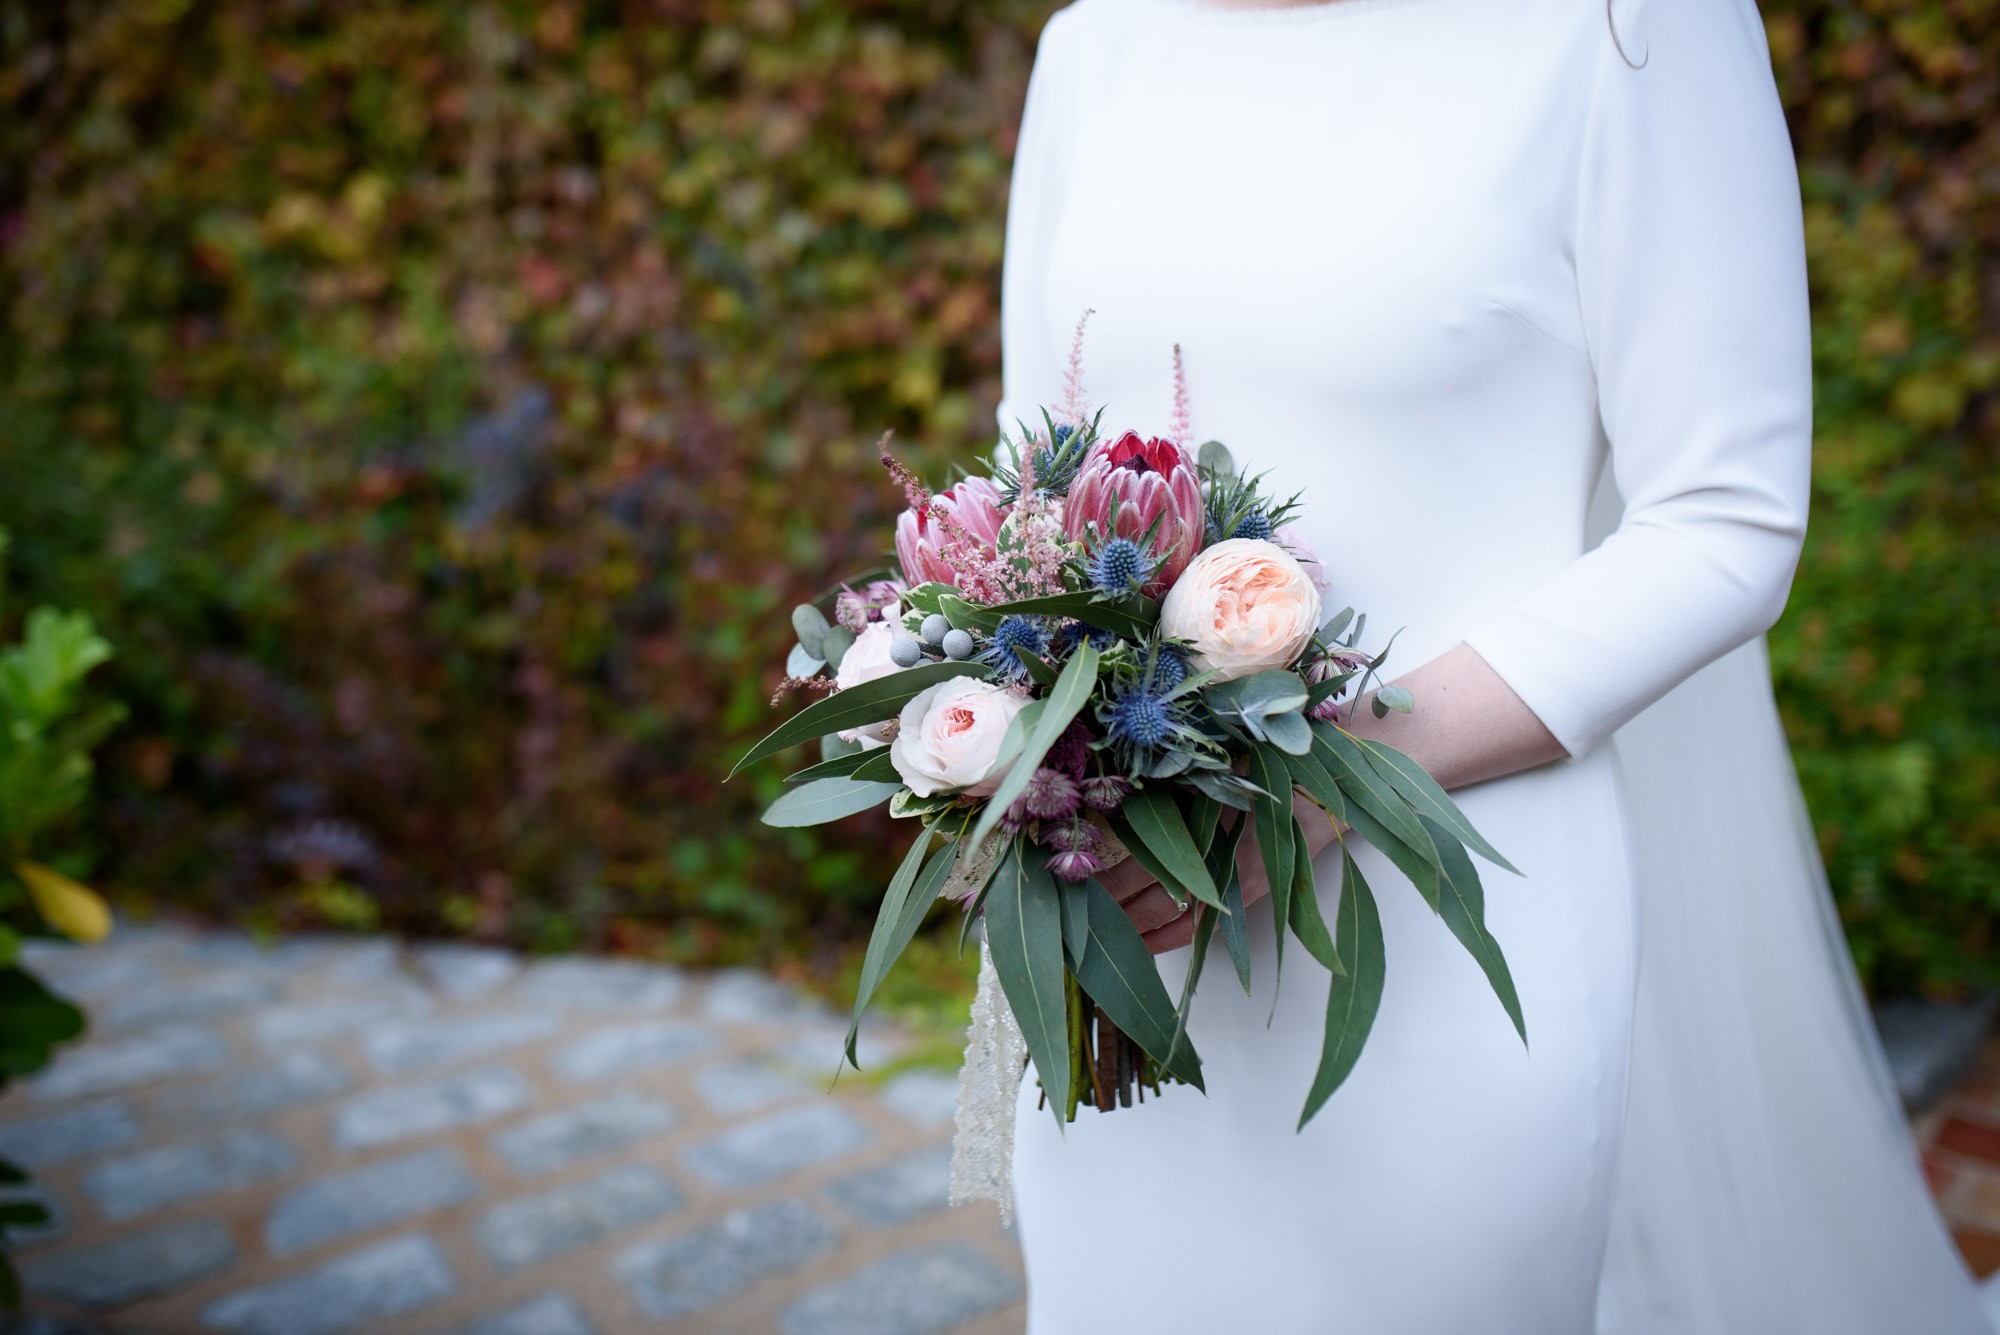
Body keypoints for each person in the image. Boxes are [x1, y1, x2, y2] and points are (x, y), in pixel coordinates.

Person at [993, 0, 1996, 1330]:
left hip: (1450, 927)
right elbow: (1034, 477)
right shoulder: (1096, 45)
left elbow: (1728, 519)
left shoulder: (1629, 30)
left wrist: (1332, 779)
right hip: (1125, 926)